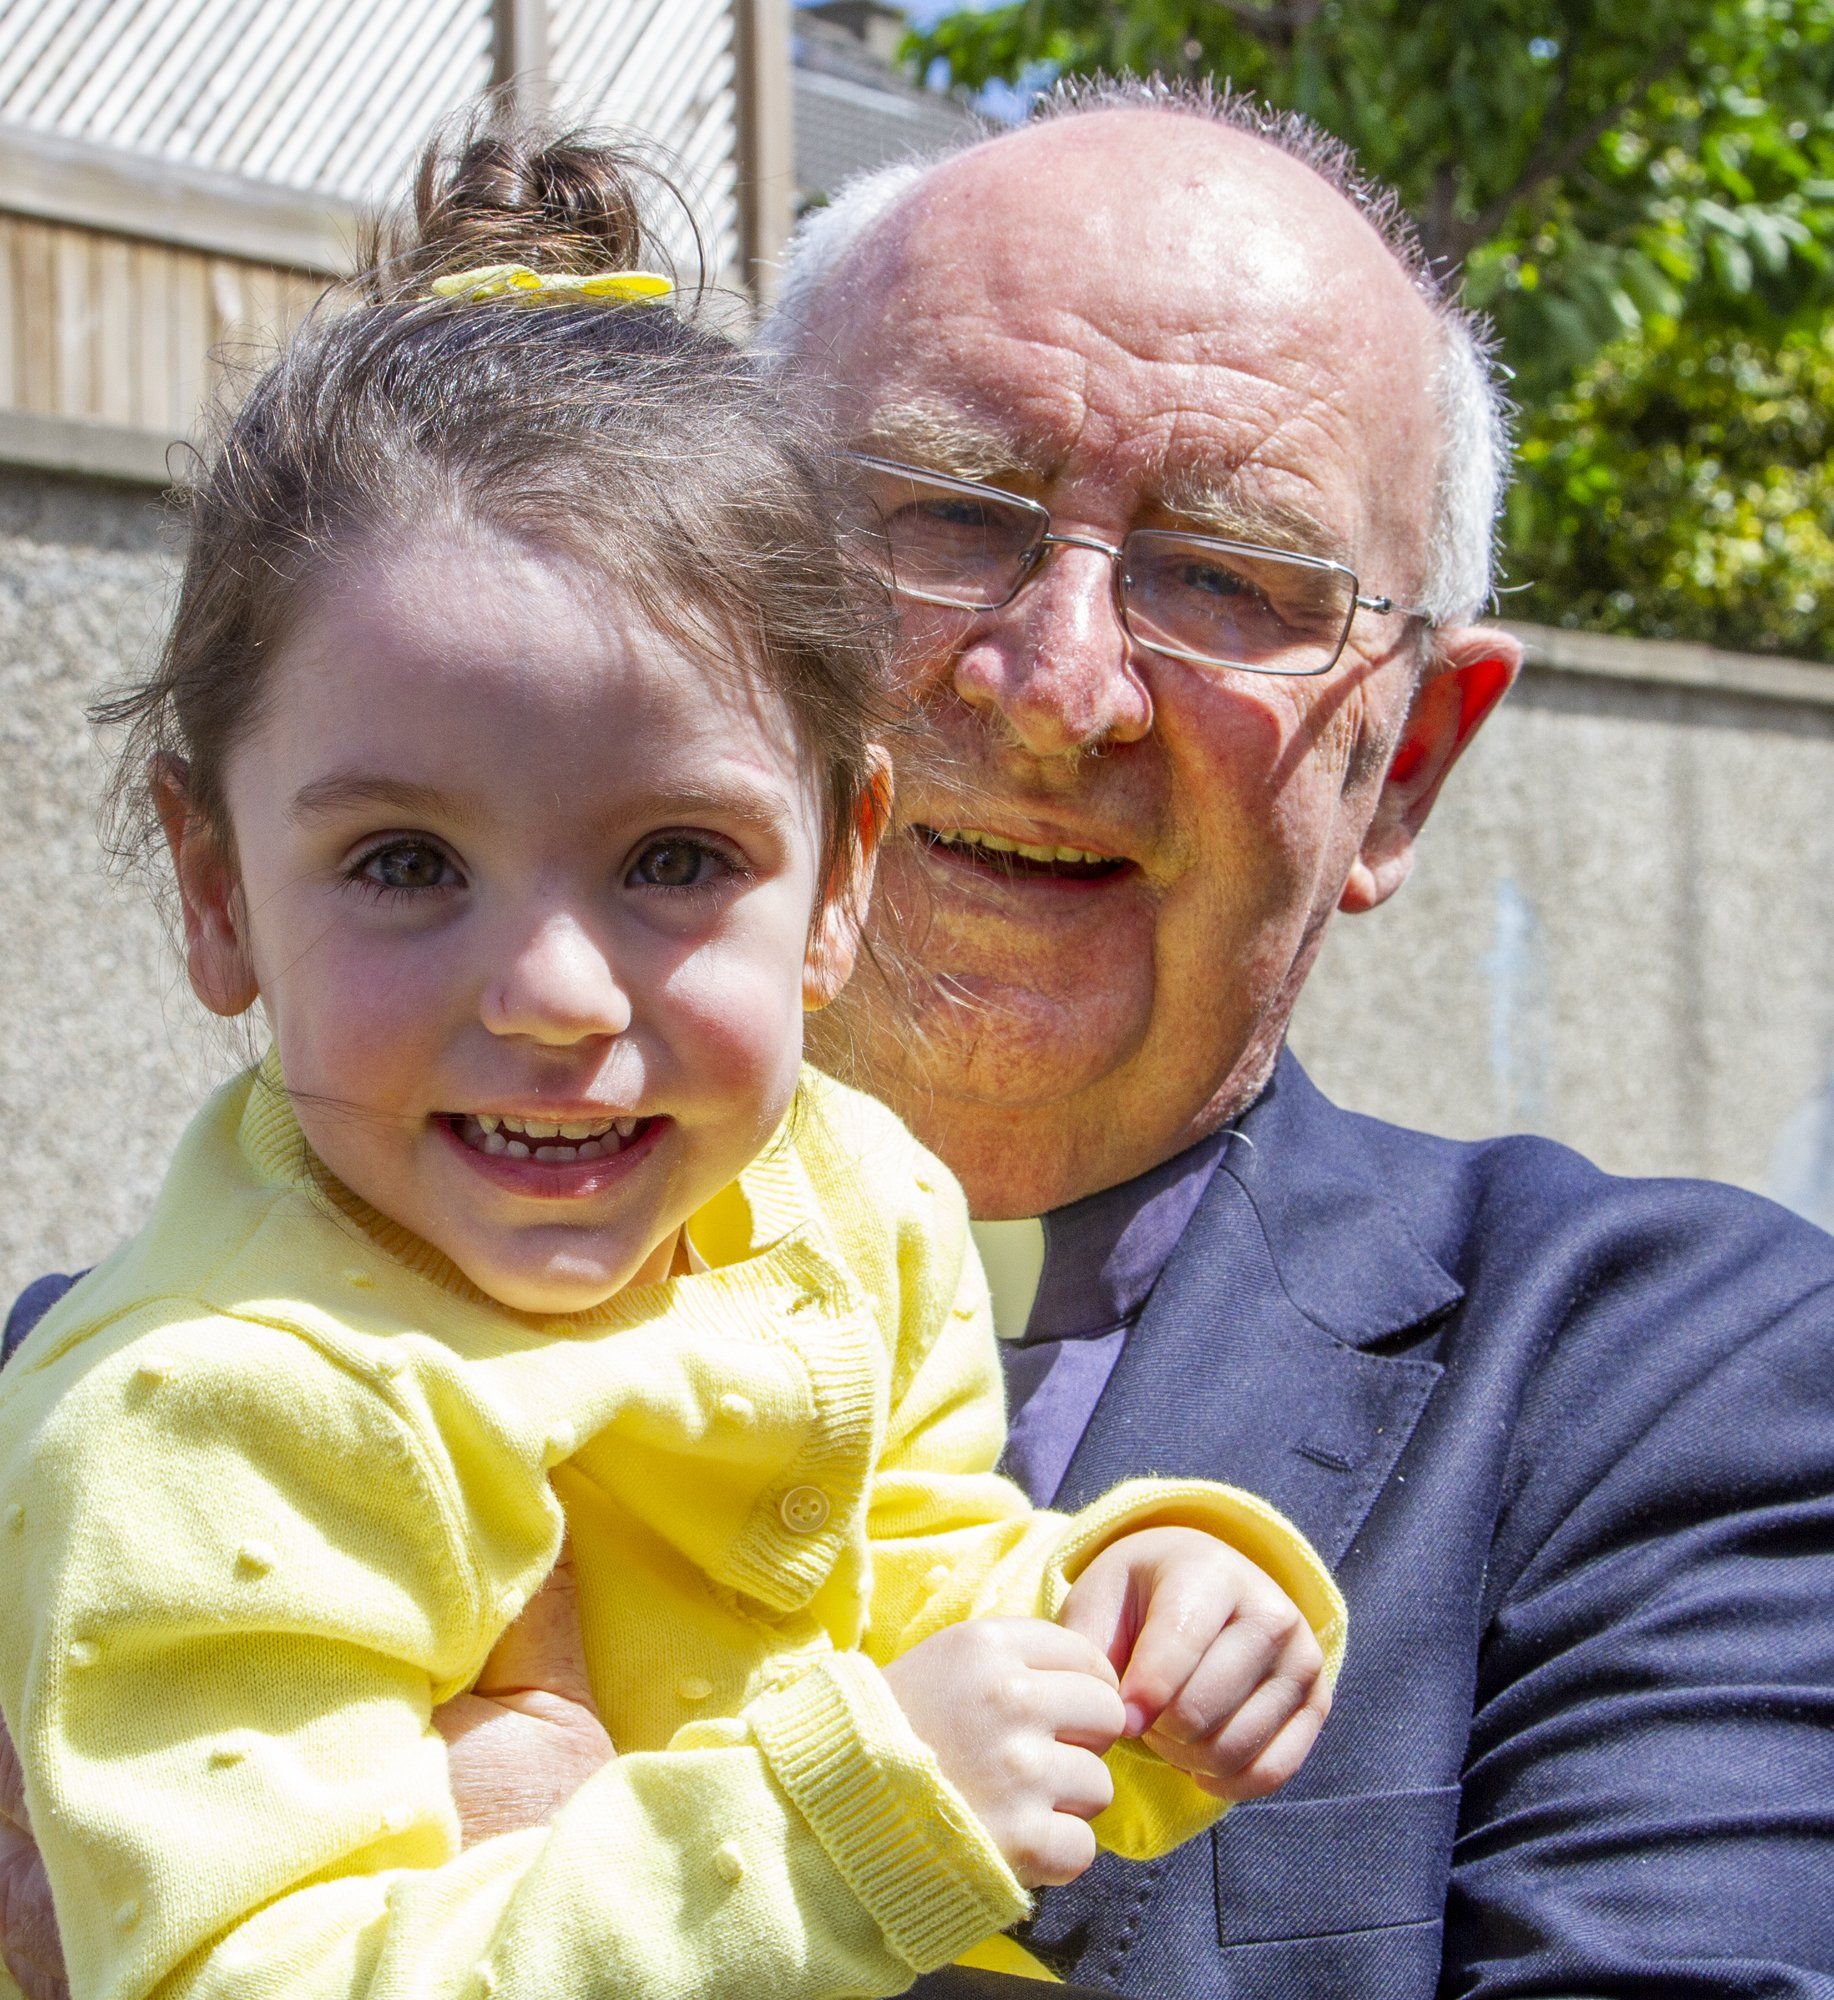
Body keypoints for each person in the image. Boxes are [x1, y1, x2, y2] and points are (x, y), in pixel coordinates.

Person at [9, 75, 1834, 2000]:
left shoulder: (1676, 1392)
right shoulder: (124, 1402)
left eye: (1223, 573)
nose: (1057, 688)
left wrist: (1089, 1621)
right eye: (944, 517)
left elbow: (928, 1572)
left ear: (1409, 761)